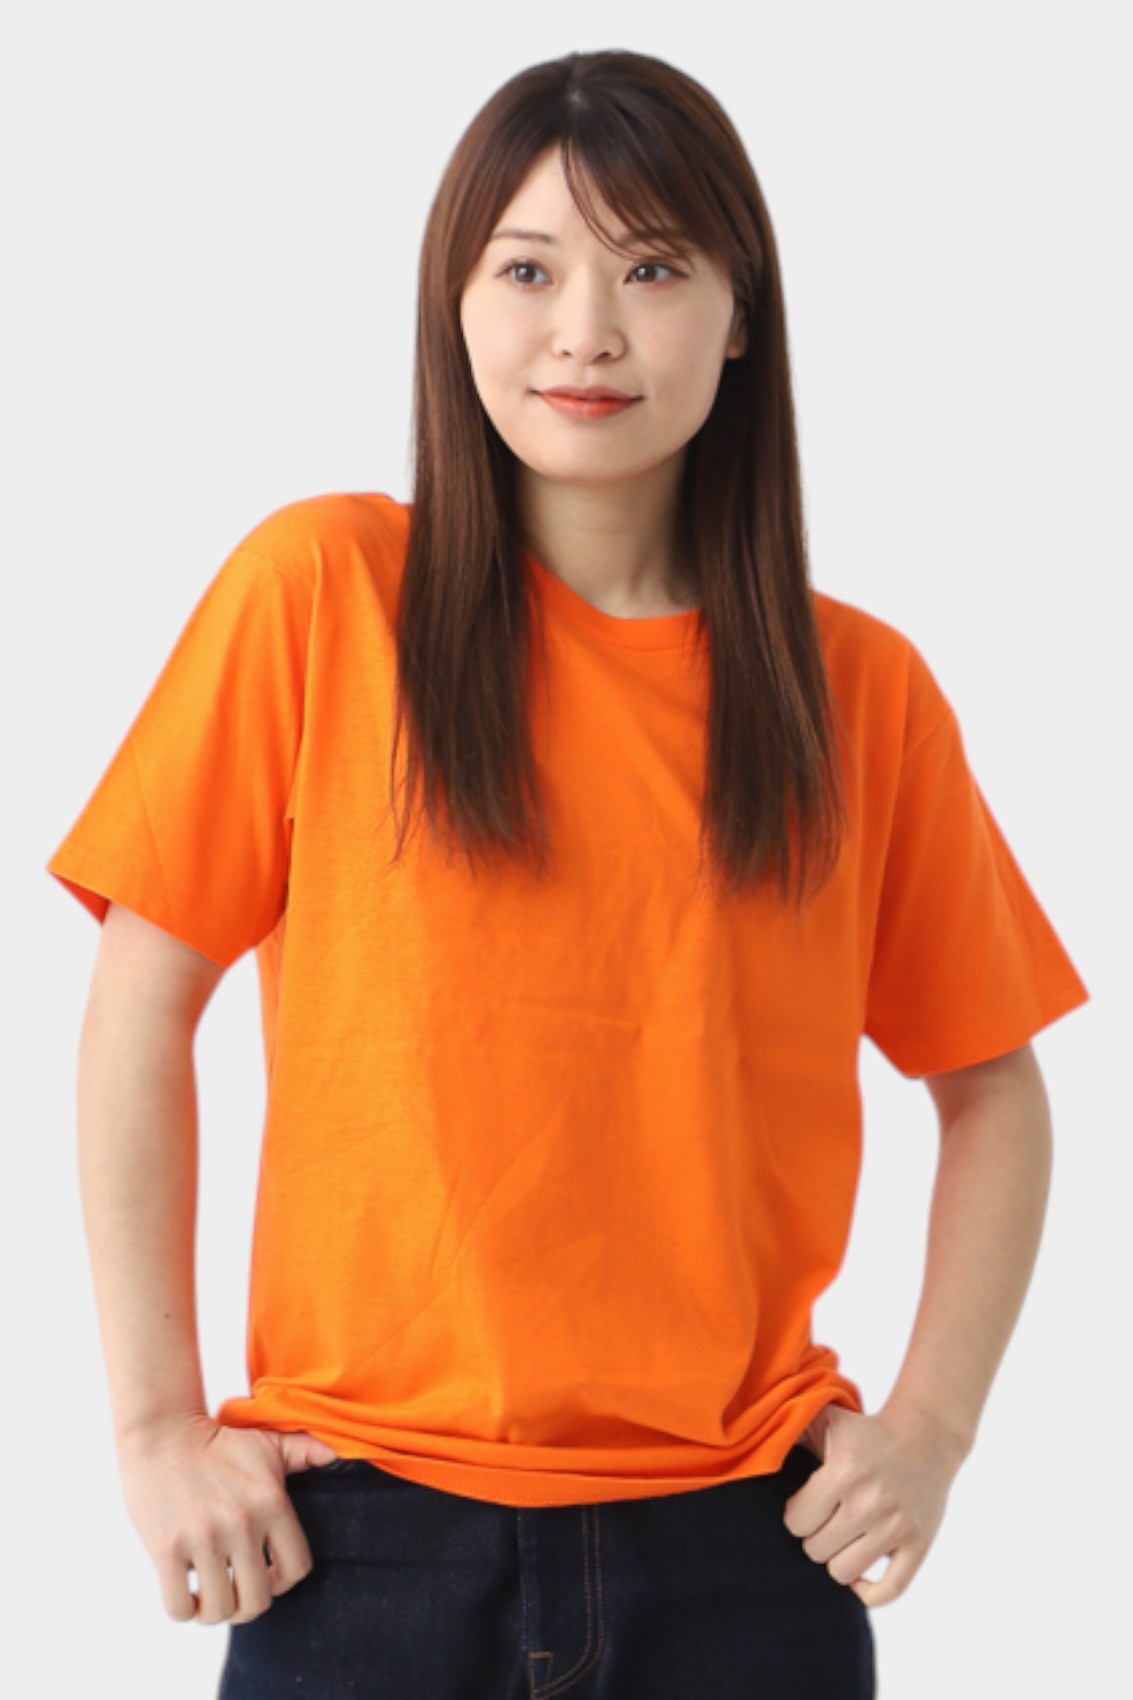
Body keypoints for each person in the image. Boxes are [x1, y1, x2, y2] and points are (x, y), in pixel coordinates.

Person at [45, 47, 1088, 1700]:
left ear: (739, 318)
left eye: (651, 270)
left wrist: (931, 1432)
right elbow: (136, 1004)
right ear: (452, 304)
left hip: (745, 1558)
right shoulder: (321, 593)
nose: (585, 331)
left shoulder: (856, 695)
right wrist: (155, 1425)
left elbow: (995, 1092)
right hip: (354, 1547)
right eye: (526, 270)